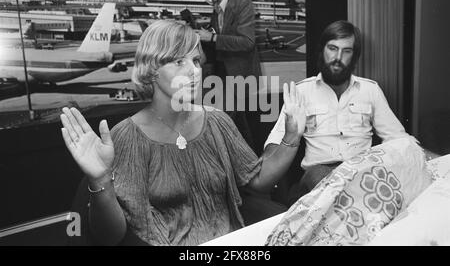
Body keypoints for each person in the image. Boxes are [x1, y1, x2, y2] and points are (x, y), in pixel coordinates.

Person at [60, 20, 305, 246]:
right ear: (152, 69)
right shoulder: (128, 136)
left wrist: (291, 138)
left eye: (196, 61)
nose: (194, 71)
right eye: (179, 62)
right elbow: (110, 237)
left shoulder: (217, 122)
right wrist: (101, 180)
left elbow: (259, 181)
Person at [264, 20, 409, 205]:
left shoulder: (370, 90)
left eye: (346, 51)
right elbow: (273, 144)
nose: (338, 57)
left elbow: (398, 139)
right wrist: (283, 146)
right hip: (317, 178)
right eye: (332, 48)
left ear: (354, 56)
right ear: (322, 50)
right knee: (320, 176)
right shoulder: (301, 92)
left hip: (361, 175)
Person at [196, 0, 261, 150]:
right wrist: (205, 36)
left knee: (230, 126)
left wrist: (213, 37)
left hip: (239, 77)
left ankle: (246, 165)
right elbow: (220, 38)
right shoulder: (217, 8)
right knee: (237, 126)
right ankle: (250, 165)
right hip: (222, 75)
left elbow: (247, 42)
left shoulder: (243, 4)